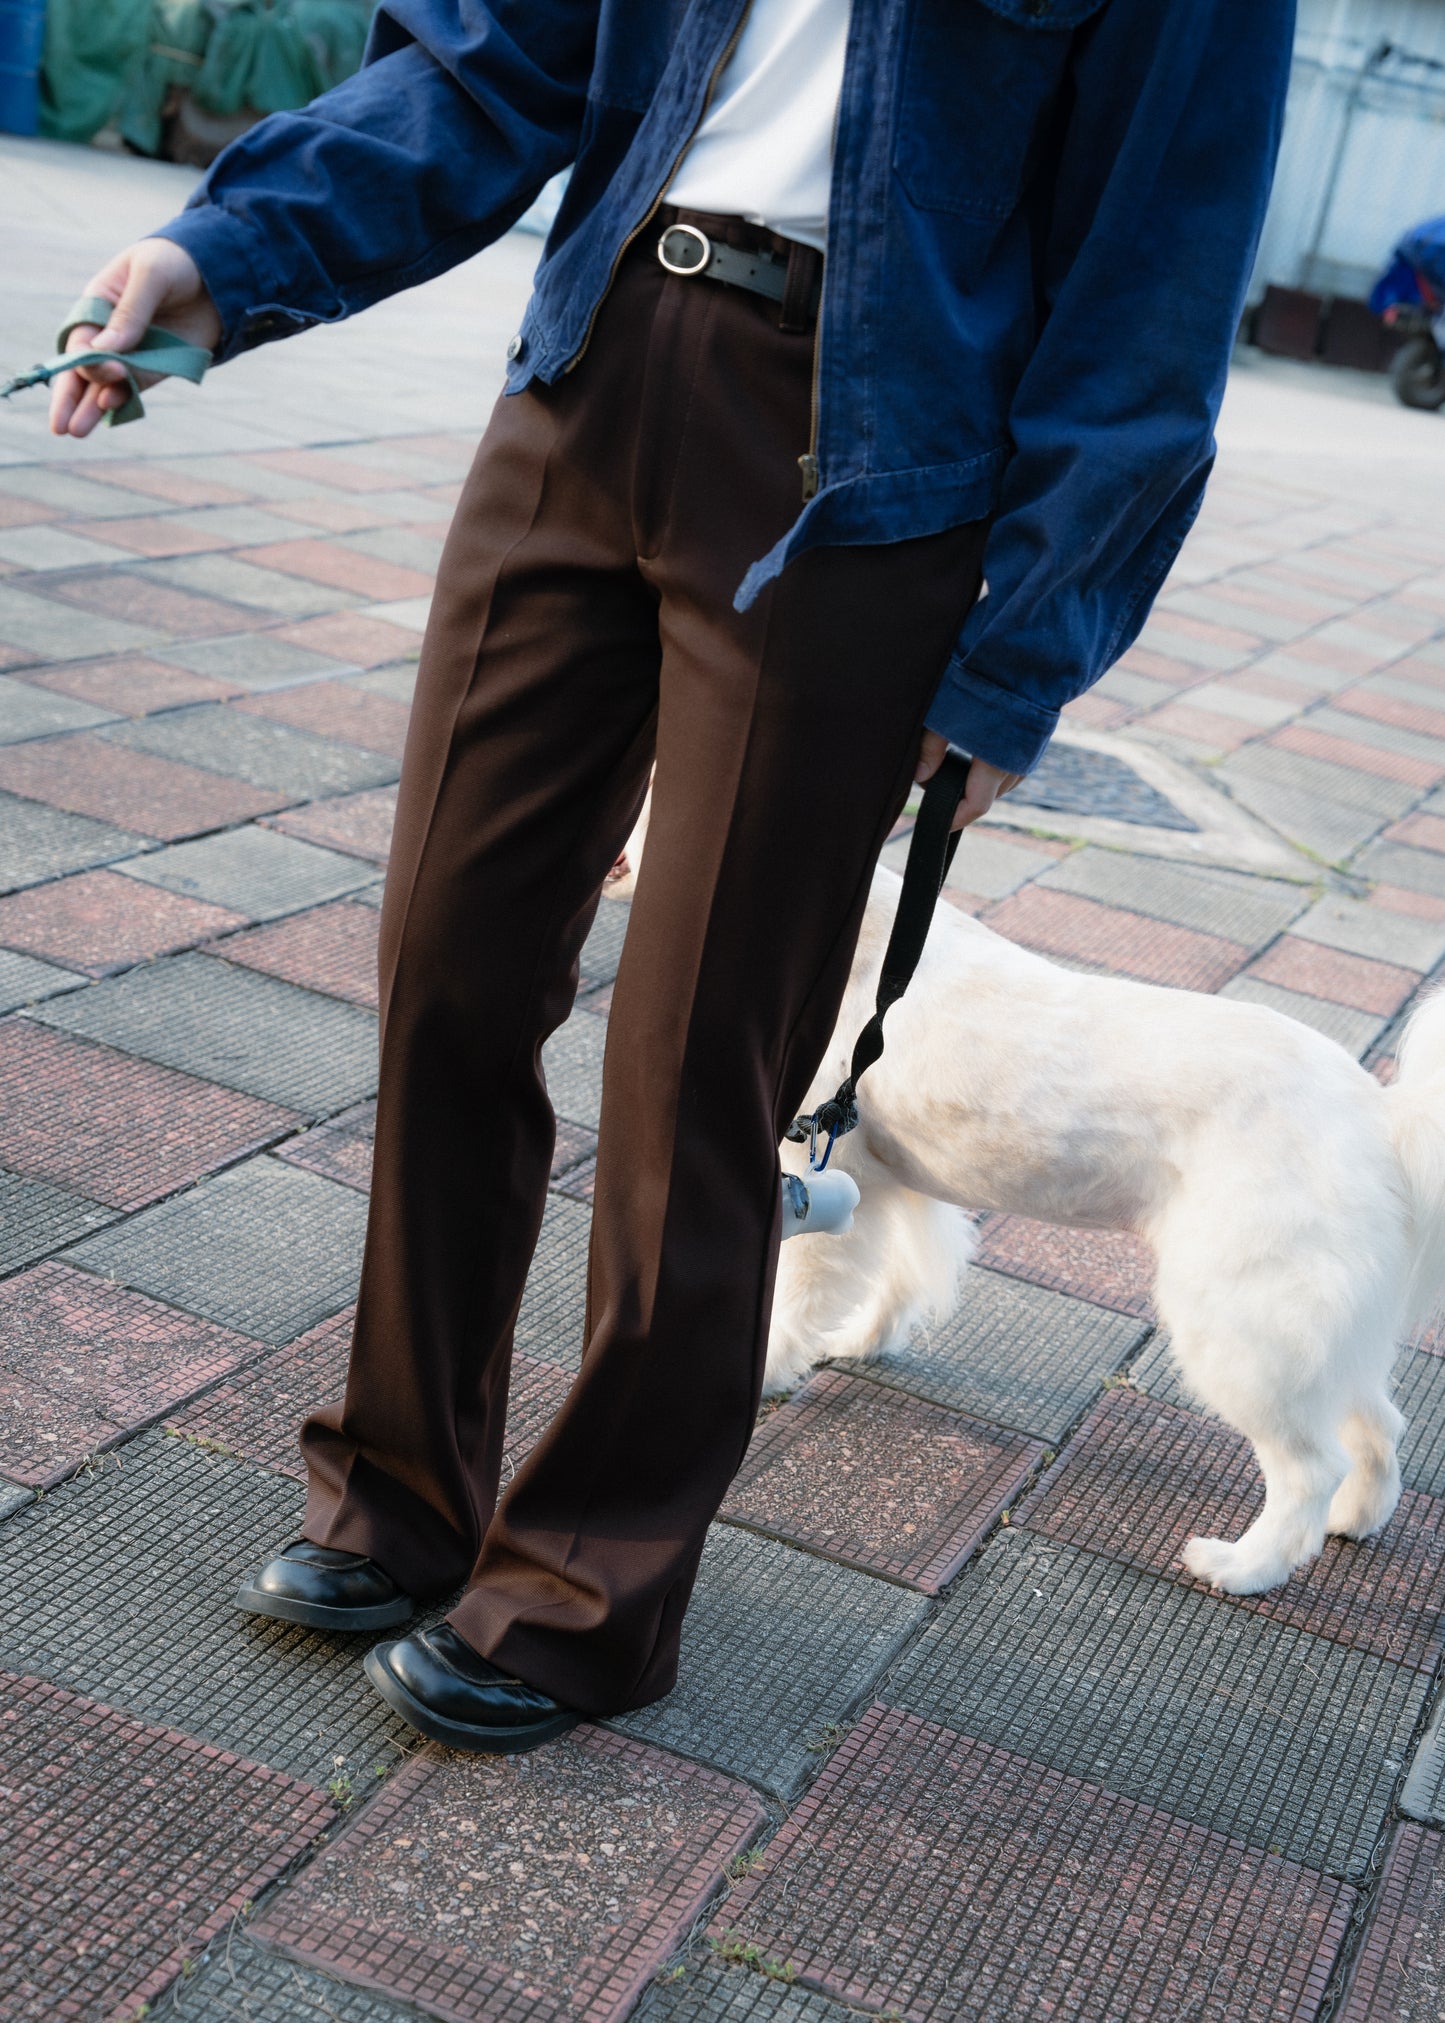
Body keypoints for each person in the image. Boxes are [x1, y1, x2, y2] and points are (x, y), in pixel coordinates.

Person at [52, 0, 1294, 1756]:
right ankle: (404, 1487)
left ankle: (588, 1587)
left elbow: (1155, 268)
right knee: (446, 963)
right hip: (587, 371)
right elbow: (499, 59)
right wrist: (223, 249)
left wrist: (1025, 641)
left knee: (701, 1046)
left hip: (870, 463)